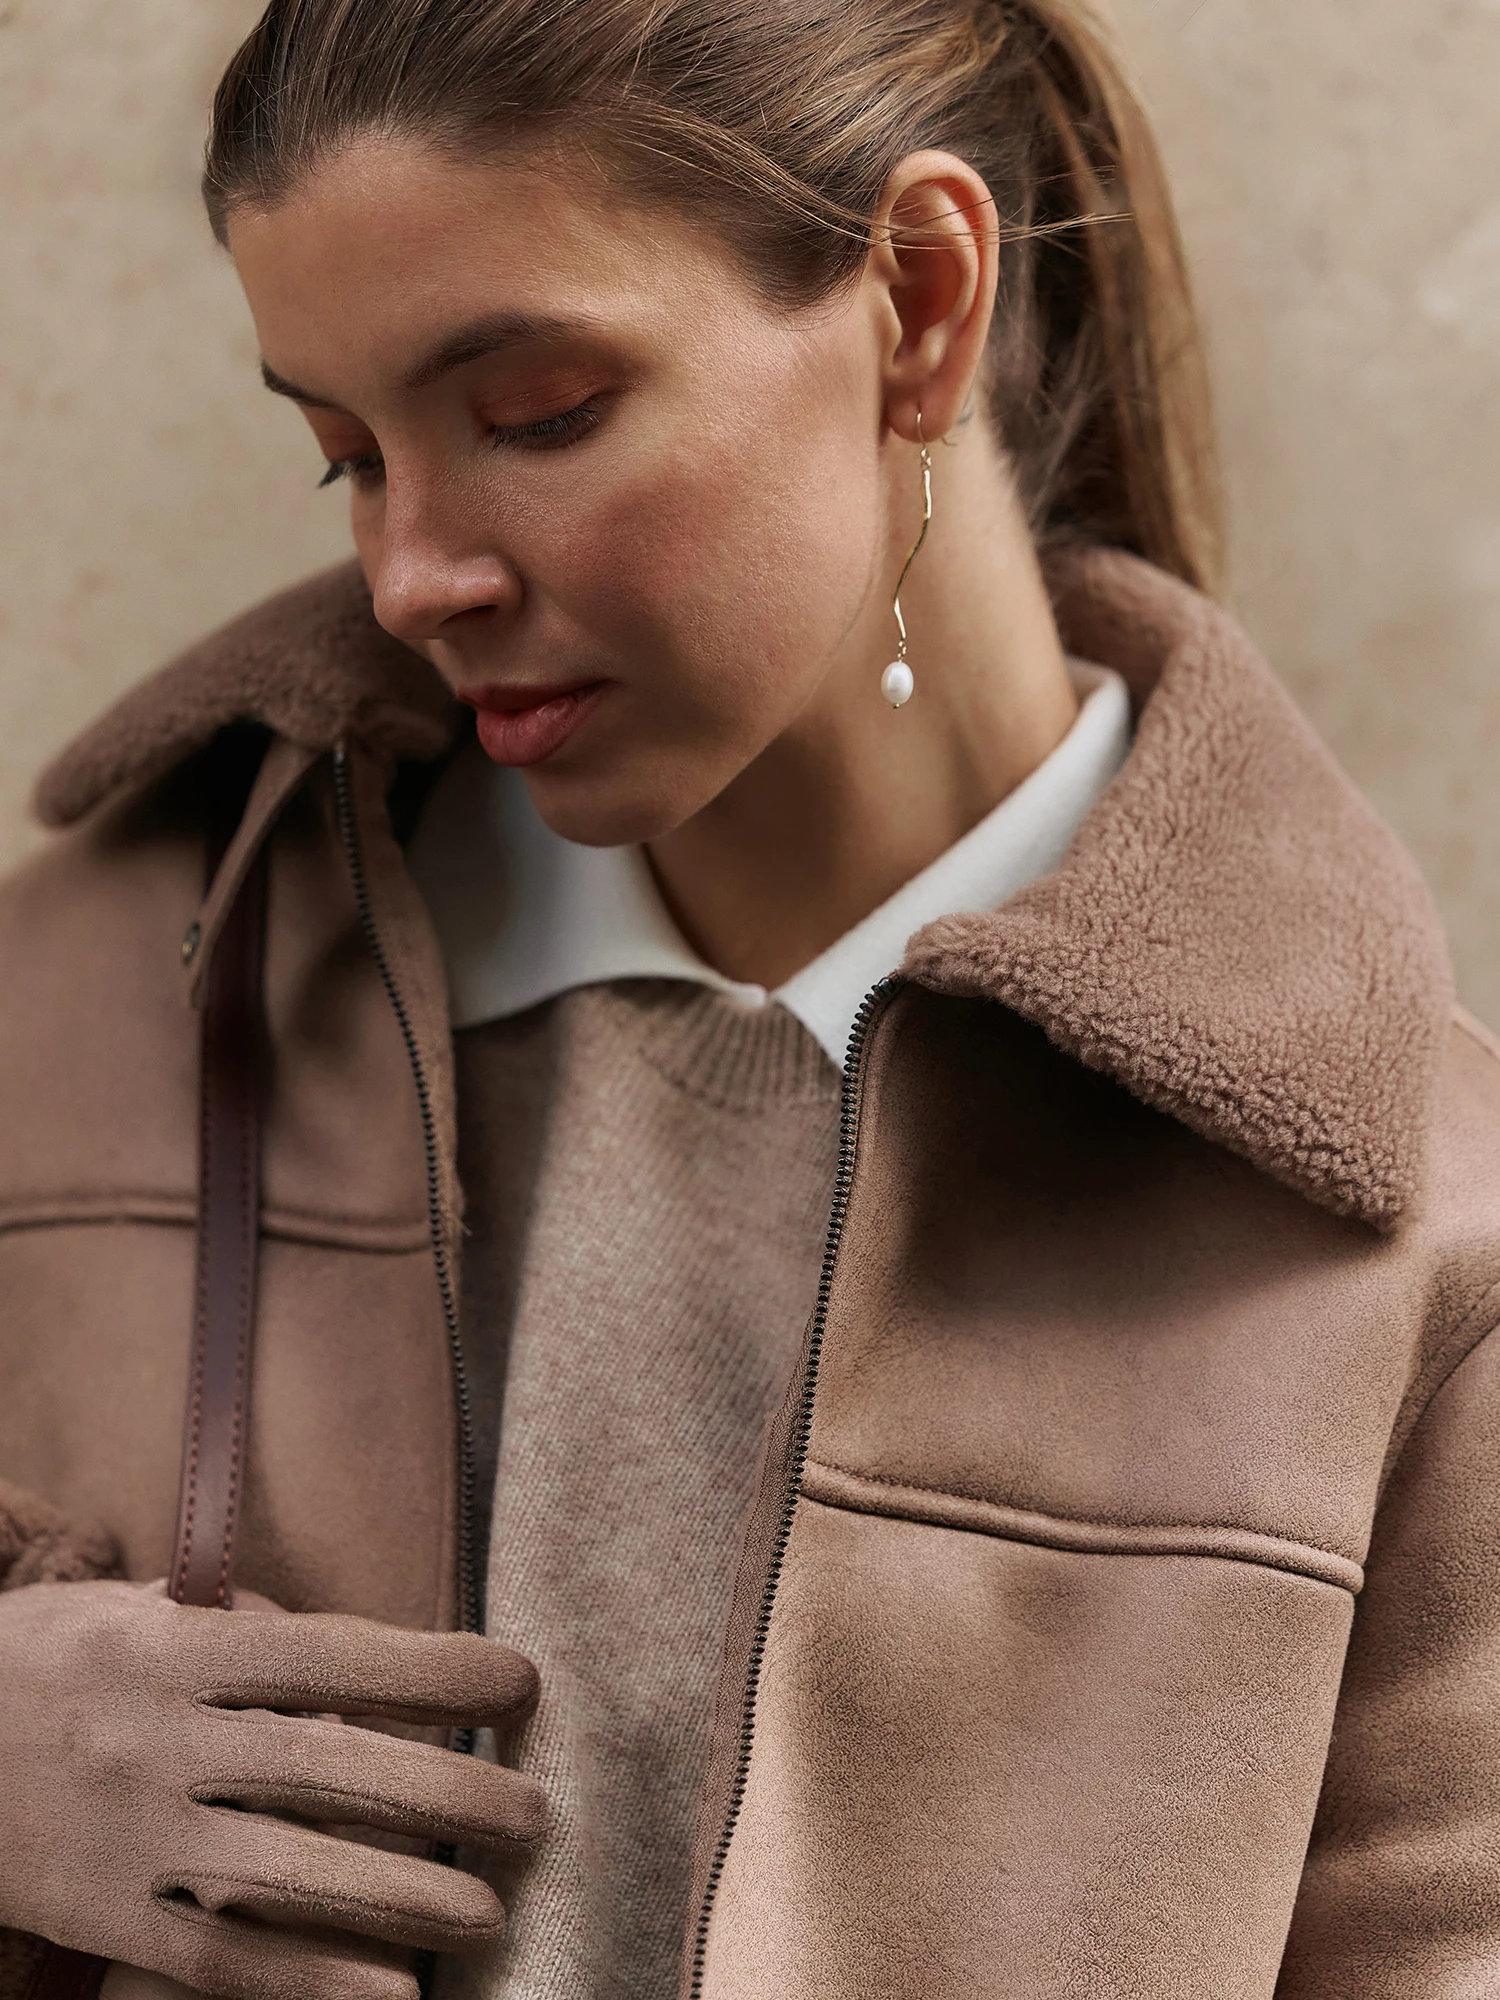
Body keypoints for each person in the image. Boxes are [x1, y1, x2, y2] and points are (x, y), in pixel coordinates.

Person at [2, 0, 1498, 1996]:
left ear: (921, 303)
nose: (412, 576)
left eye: (538, 411)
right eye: (345, 458)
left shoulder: (1405, 1261)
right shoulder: (71, 1012)